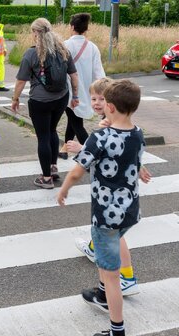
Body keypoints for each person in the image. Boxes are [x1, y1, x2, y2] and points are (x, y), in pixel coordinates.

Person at [57, 79, 152, 336]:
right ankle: (100, 292)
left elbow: (77, 171)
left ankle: (116, 328)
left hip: (105, 216)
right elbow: (130, 157)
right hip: (129, 211)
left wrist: (64, 189)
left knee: (111, 276)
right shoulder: (138, 132)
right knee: (108, 258)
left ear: (109, 107)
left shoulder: (101, 137)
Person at [71, 78, 141, 298]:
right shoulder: (110, 122)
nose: (98, 103)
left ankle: (126, 279)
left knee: (113, 234)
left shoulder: (109, 124)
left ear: (112, 103)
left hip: (112, 198)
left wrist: (80, 147)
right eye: (94, 98)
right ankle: (96, 249)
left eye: (102, 99)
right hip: (119, 197)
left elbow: (102, 152)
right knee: (111, 233)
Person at [11, 18, 79, 189]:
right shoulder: (63, 50)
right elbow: (73, 75)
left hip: (40, 101)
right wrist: (75, 95)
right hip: (61, 98)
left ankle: (46, 178)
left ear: (35, 33)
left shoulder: (31, 54)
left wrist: (15, 98)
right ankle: (53, 167)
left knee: (43, 137)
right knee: (52, 130)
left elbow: (20, 81)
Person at [59, 13, 106, 159]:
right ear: (86, 29)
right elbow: (99, 73)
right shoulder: (93, 47)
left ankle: (92, 153)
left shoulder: (65, 45)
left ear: (72, 27)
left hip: (70, 91)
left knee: (76, 123)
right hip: (87, 91)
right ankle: (64, 149)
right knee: (74, 119)